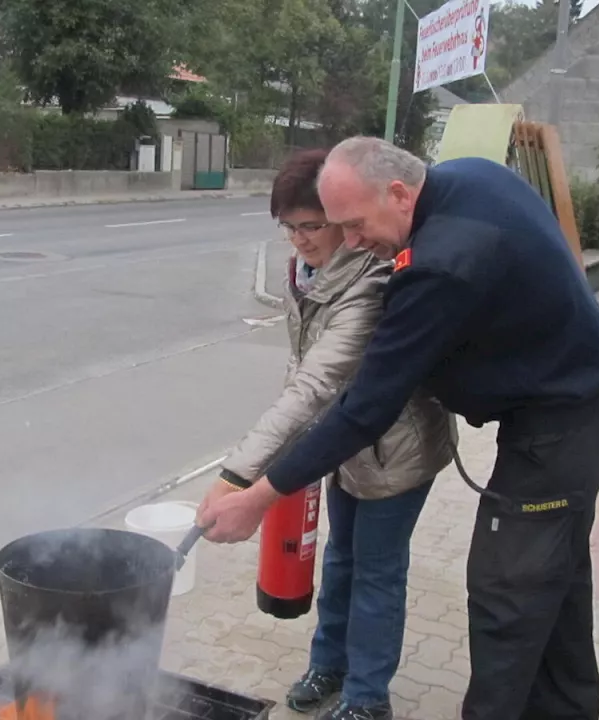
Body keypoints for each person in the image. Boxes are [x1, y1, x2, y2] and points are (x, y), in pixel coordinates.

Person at [198, 137, 599, 720]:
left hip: (563, 420)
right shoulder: (467, 177)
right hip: (575, 395)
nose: (353, 243)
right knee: (556, 576)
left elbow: (364, 408)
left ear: (399, 193)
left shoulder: (438, 266)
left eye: (353, 224)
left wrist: (257, 495)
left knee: (506, 590)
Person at [217, 148, 455, 720]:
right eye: (289, 228)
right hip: (342, 447)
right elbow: (301, 370)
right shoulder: (306, 272)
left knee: (377, 570)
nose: (300, 240)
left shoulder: (373, 278)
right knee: (341, 559)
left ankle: (368, 698)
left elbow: (319, 381)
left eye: (313, 226)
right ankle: (329, 665)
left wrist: (238, 475)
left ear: (342, 218)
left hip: (393, 451)